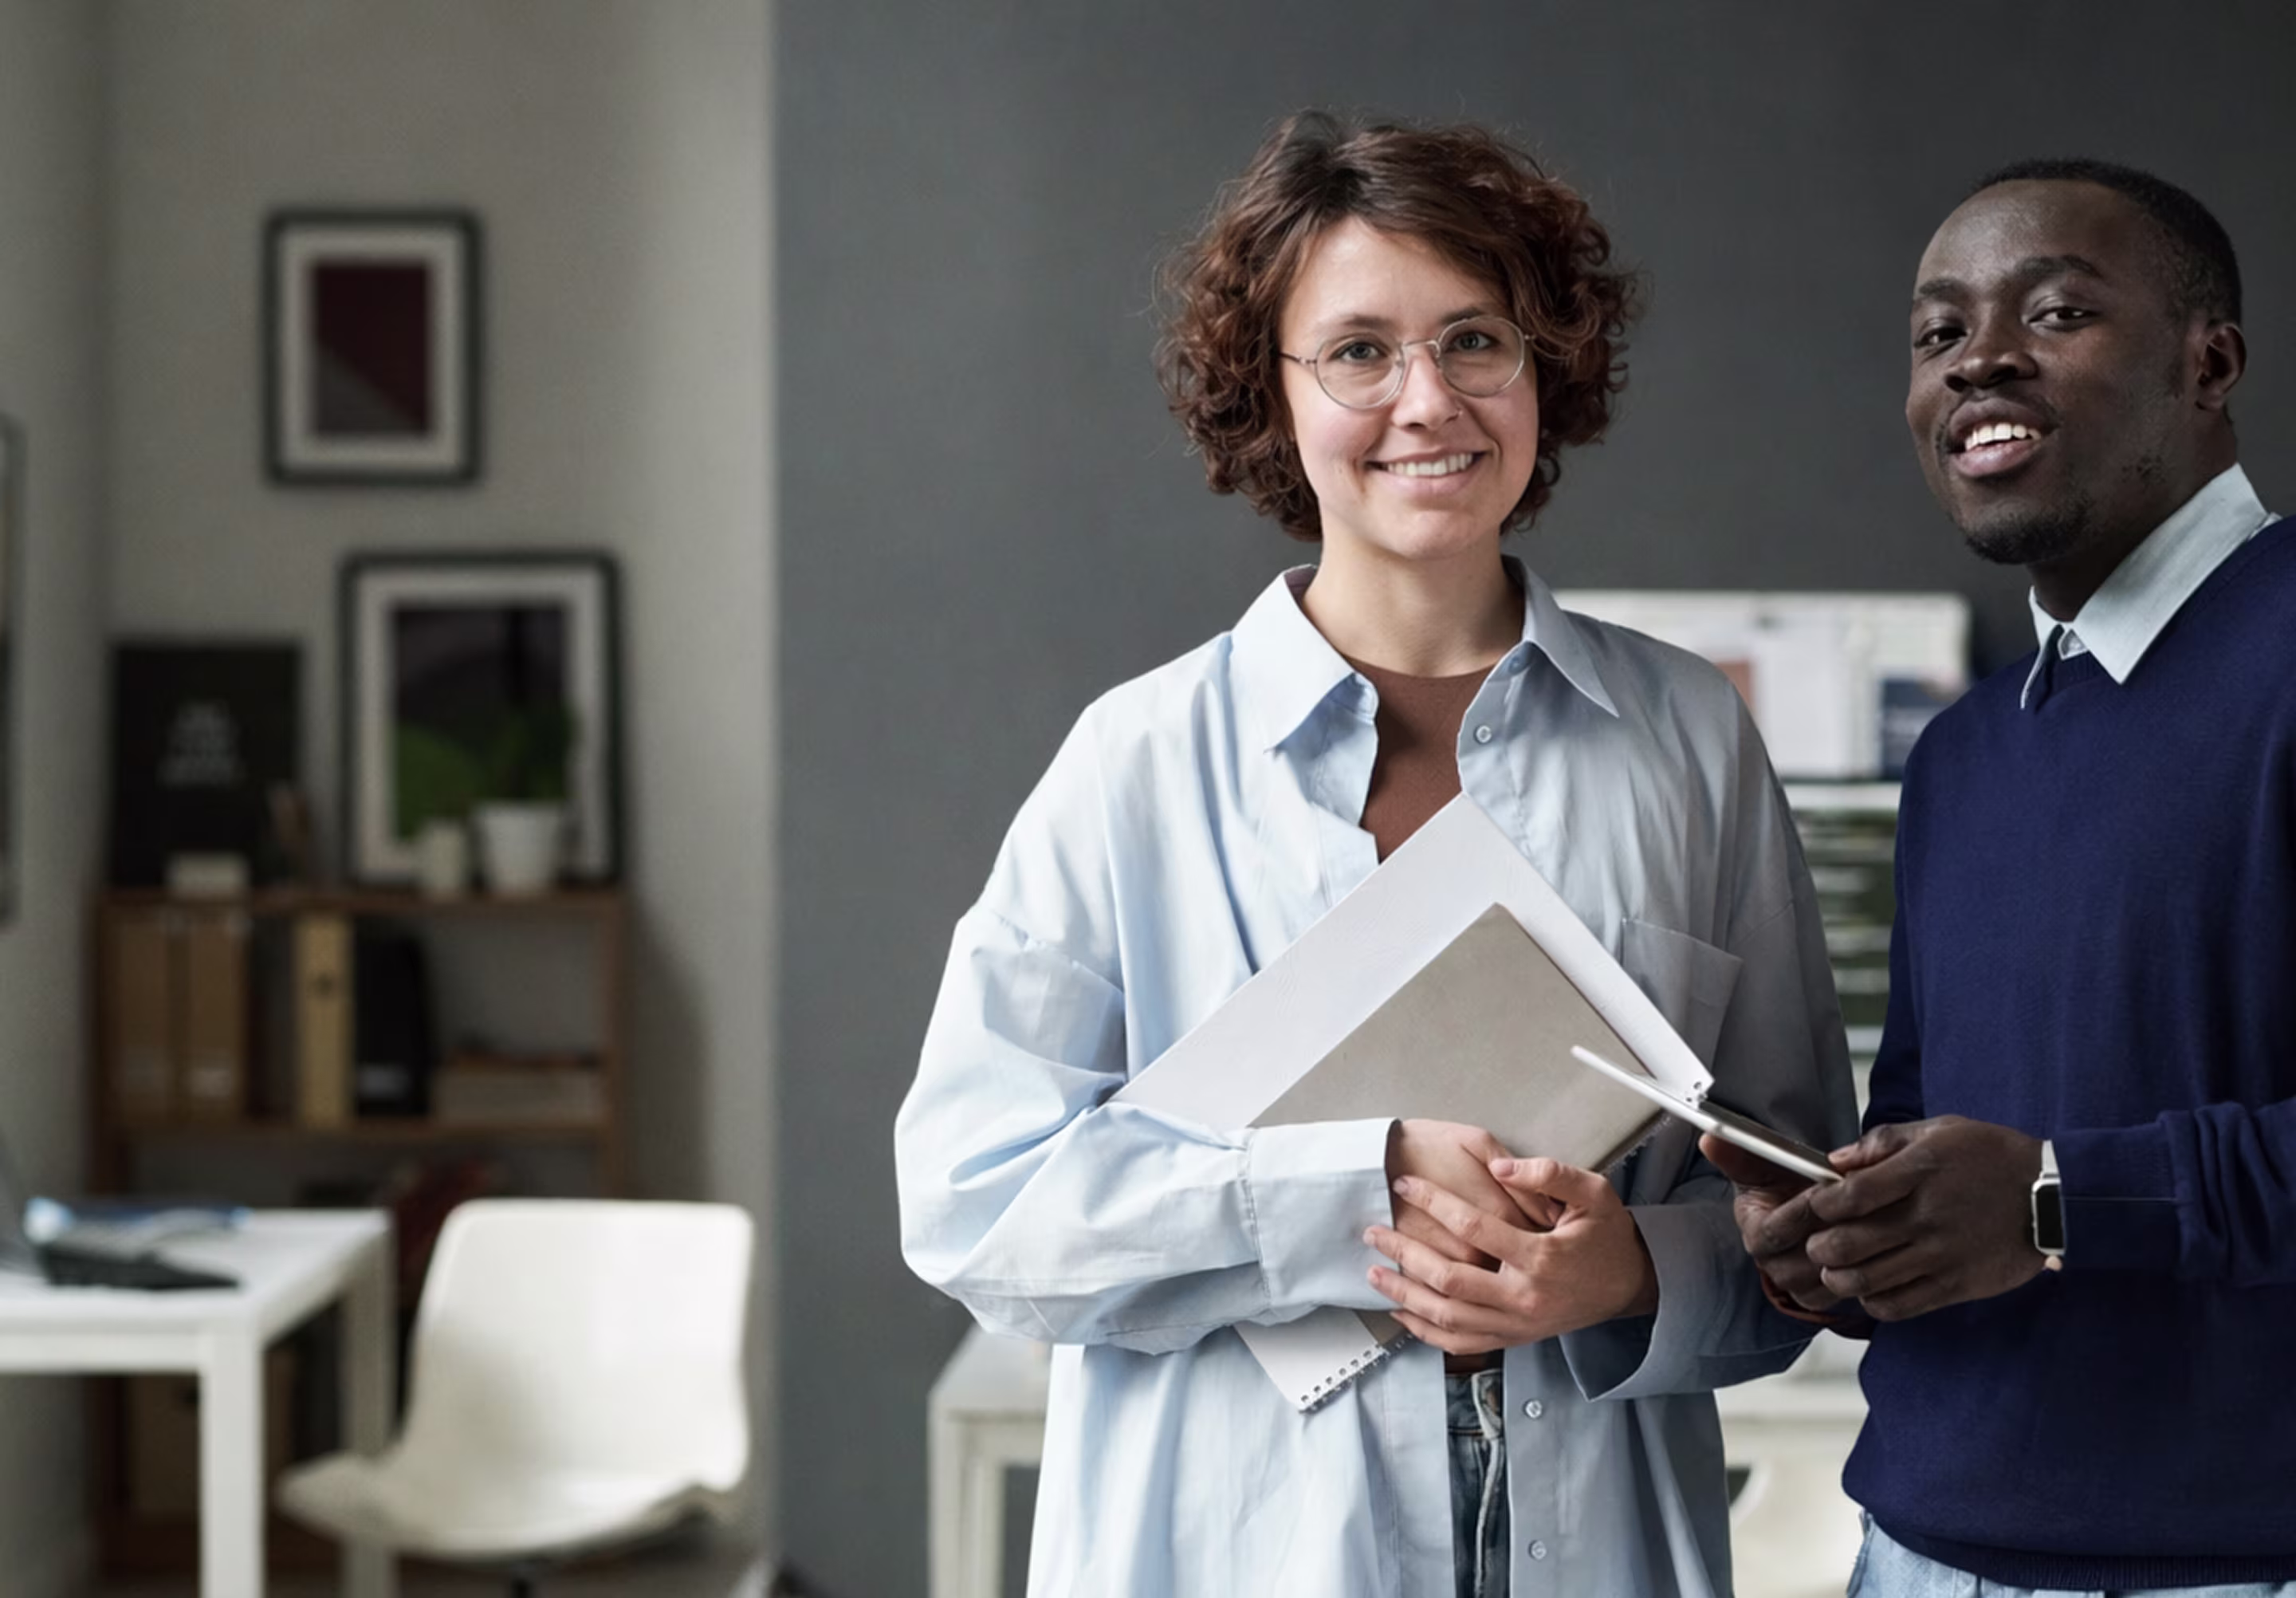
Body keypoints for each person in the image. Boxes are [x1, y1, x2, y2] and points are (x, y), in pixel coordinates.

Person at [897, 112, 1853, 1598]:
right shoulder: (1136, 762)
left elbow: (1806, 1219)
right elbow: (973, 1206)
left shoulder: (1688, 740)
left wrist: (1634, 1272)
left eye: (1476, 340)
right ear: (1268, 394)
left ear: (1545, 366)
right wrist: (1361, 1191)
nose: (1428, 400)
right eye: (1358, 351)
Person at [1705, 159, 2296, 1595]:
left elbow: (2037, 1193)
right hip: (1917, 1553)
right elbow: (1935, 1135)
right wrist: (1840, 1241)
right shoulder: (1966, 753)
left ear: (2210, 363)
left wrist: (2055, 1200)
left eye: (2057, 311)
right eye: (1938, 332)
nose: (1979, 358)